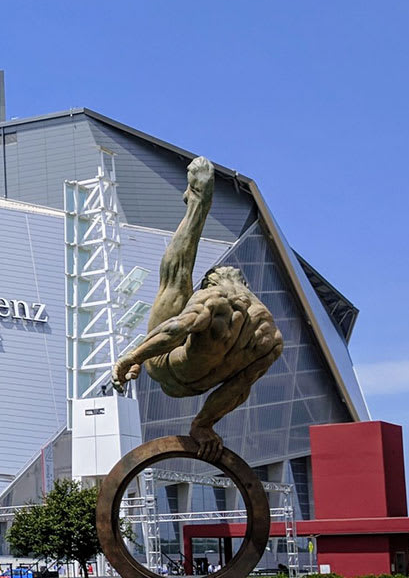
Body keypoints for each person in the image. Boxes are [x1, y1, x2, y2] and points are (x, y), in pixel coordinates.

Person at [112, 157, 284, 459]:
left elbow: (177, 328)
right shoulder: (270, 334)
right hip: (201, 383)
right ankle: (197, 203)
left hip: (168, 365)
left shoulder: (215, 298)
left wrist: (133, 357)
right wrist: (203, 424)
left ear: (211, 281)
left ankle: (197, 205)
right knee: (184, 293)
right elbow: (240, 386)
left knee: (176, 277)